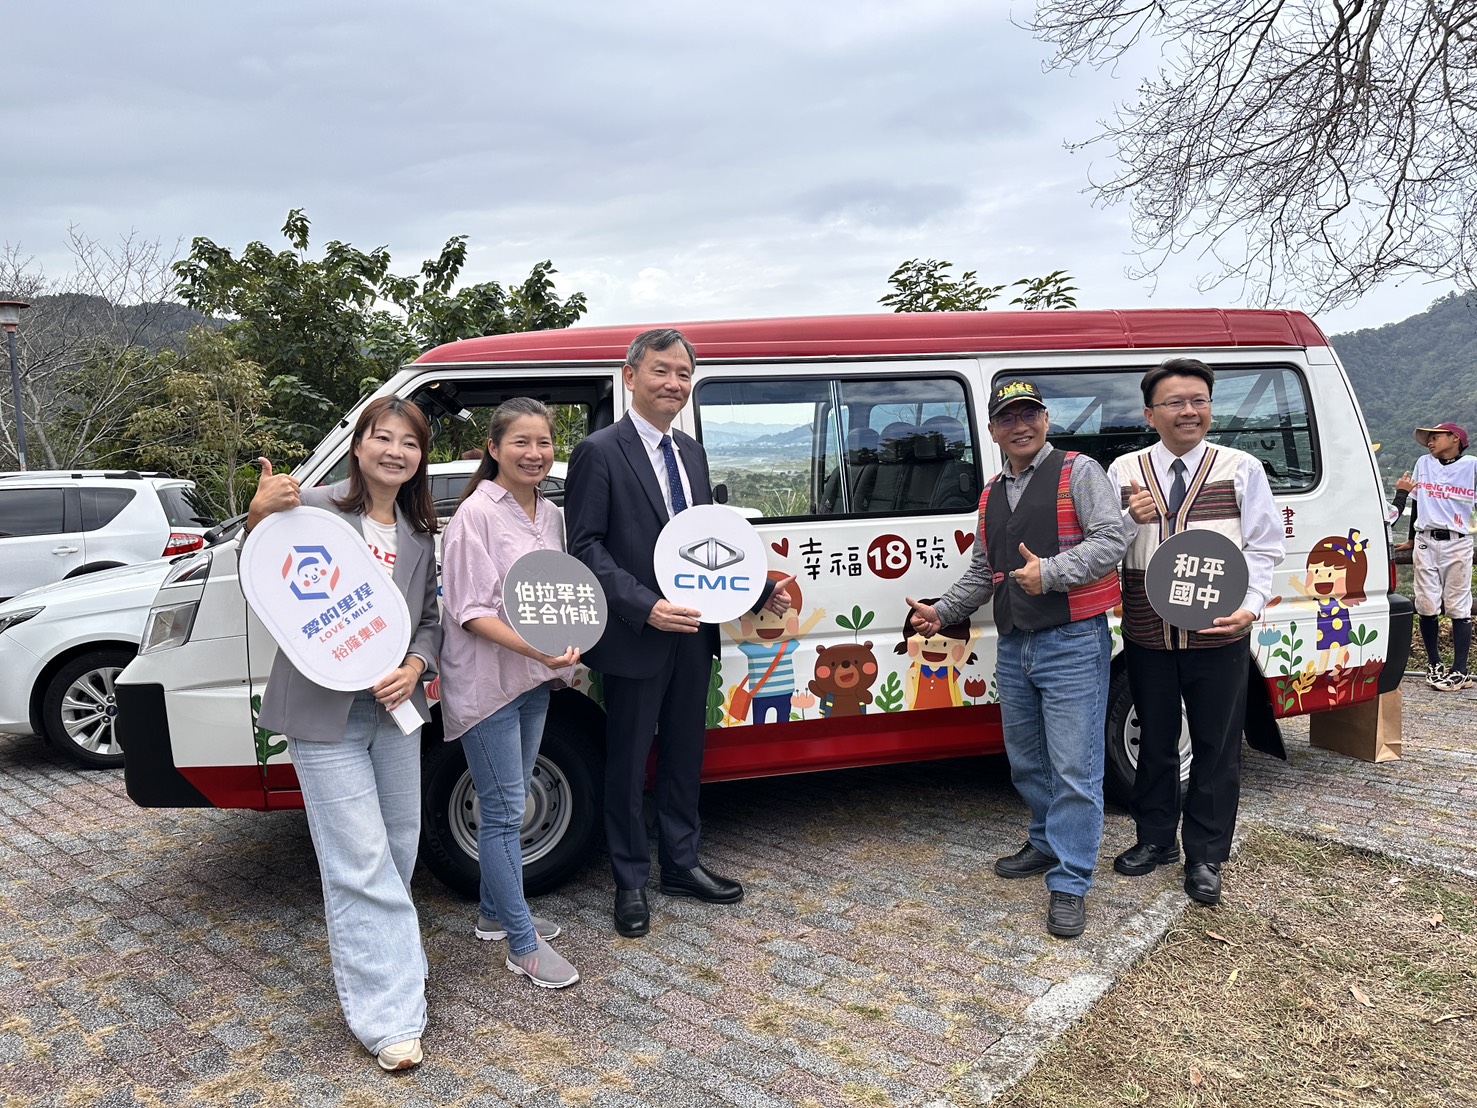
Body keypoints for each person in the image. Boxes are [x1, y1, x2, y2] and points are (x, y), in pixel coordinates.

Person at [565, 328, 790, 938]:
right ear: (630, 376)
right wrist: (646, 606)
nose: (673, 383)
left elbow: (703, 541)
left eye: (684, 374)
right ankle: (630, 880)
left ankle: (682, 864)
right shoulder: (598, 451)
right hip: (637, 632)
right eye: (661, 371)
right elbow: (585, 546)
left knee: (686, 752)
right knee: (628, 758)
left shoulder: (691, 451)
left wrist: (752, 587)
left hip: (694, 631)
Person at [248, 397, 443, 1072]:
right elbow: (260, 570)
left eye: (409, 443)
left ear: (420, 459)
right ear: (357, 447)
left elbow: (428, 621)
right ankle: (389, 1018)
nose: (395, 451)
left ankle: (395, 965)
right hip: (322, 713)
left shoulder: (418, 533)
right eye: (382, 438)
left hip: (394, 710)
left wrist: (415, 666)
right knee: (357, 857)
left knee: (399, 844)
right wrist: (257, 515)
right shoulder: (312, 511)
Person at [908, 379, 1126, 939]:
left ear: (1046, 419)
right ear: (992, 430)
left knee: (1075, 767)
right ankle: (1045, 840)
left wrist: (1050, 573)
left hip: (1073, 640)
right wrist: (942, 612)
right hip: (1015, 643)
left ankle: (1071, 879)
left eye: (1029, 415)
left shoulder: (1079, 472)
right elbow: (985, 570)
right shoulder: (991, 494)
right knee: (1027, 759)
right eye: (1008, 418)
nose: (1020, 426)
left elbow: (1111, 541)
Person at [1108, 357, 1285, 907]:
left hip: (1219, 631)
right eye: (1175, 403)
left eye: (1198, 401)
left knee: (1217, 745)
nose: (1189, 411)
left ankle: (1206, 855)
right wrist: (1128, 520)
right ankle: (1155, 839)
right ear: (1150, 414)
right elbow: (1102, 545)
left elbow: (1265, 546)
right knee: (1156, 740)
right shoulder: (1125, 471)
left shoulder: (1240, 468)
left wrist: (1251, 606)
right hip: (1147, 633)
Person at [439, 397, 581, 989]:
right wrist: (539, 649)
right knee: (502, 813)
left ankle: (495, 915)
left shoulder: (550, 515)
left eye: (543, 442)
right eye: (520, 442)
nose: (534, 453)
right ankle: (522, 946)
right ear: (494, 448)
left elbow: (560, 593)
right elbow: (470, 612)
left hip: (532, 680)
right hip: (488, 683)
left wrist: (560, 647)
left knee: (511, 799)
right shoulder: (476, 515)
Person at [1393, 422, 1476, 691]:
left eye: (1436, 437)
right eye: (1428, 438)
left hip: (1458, 540)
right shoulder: (1424, 463)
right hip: (1425, 540)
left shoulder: (1472, 466)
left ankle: (1460, 670)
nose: (1430, 442)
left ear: (1455, 438)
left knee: (1458, 604)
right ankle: (1434, 663)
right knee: (1426, 603)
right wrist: (1410, 538)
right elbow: (1417, 501)